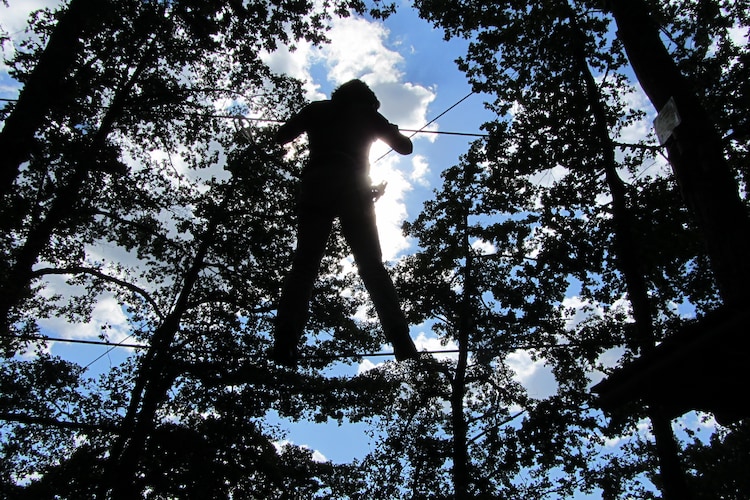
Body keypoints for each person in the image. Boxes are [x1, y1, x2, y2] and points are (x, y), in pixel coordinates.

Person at [272, 79, 419, 367]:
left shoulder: (317, 109)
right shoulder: (367, 115)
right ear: (364, 100)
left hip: (317, 185)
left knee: (304, 265)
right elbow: (405, 147)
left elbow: (282, 136)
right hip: (353, 188)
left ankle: (285, 341)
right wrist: (390, 131)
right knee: (371, 266)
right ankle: (400, 338)